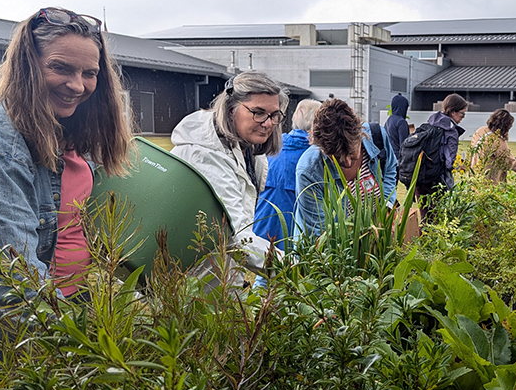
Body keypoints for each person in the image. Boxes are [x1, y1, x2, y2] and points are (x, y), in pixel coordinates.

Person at [0, 7, 132, 362]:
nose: (78, 85)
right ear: (27, 64)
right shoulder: (0, 139)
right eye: (60, 67)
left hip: (69, 298)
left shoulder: (64, 124)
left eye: (90, 73)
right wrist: (78, 341)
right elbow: (11, 273)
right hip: (21, 320)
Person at [170, 71, 286, 283]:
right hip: (191, 280)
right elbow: (236, 235)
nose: (268, 123)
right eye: (258, 112)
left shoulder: (246, 148)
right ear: (231, 109)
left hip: (218, 271)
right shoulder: (205, 155)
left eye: (274, 115)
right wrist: (296, 269)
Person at [294, 98, 397, 236]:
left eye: (352, 154)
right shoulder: (309, 171)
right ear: (322, 149)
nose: (348, 163)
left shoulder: (377, 137)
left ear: (361, 135)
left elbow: (390, 169)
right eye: (336, 158)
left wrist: (386, 208)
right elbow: (319, 233)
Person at [253, 98, 320, 249]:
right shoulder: (315, 156)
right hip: (294, 232)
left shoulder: (272, 146)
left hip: (262, 225)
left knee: (263, 267)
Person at [470, 109, 516, 183]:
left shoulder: (480, 131)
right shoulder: (498, 142)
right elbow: (512, 164)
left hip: (474, 178)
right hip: (488, 183)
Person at [384, 93, 410, 159]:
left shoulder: (388, 121)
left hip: (388, 157)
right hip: (398, 158)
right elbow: (404, 145)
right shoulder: (401, 122)